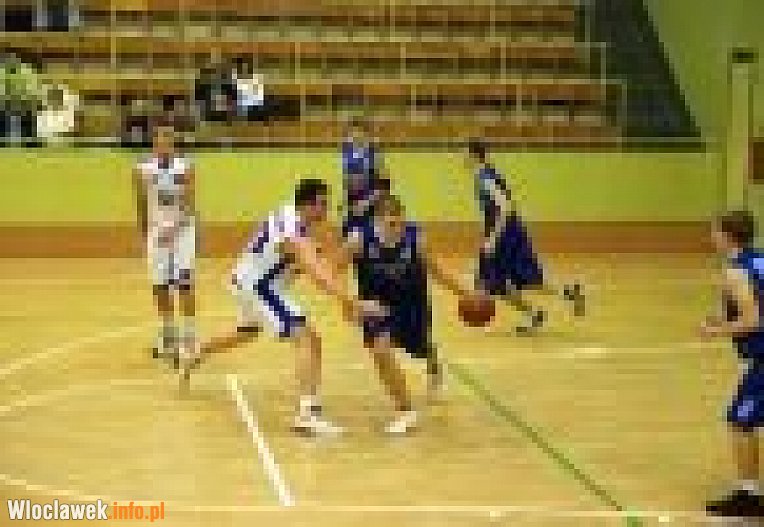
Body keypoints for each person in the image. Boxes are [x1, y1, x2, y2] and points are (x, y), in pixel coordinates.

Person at [185, 179, 383, 437]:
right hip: (260, 287)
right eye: (322, 204)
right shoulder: (292, 231)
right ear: (308, 205)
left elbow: (321, 260)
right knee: (307, 338)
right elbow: (317, 272)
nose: (326, 211)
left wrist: (333, 261)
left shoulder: (290, 216)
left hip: (245, 279)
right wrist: (353, 302)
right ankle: (307, 414)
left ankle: (197, 352)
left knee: (248, 332)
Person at [342, 193, 484, 434]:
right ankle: (405, 411)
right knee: (380, 350)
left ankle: (433, 364)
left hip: (412, 303)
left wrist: (466, 293)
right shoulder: (358, 239)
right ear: (376, 221)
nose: (396, 228)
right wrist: (350, 303)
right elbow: (336, 268)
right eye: (390, 224)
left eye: (399, 222)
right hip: (376, 306)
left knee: (420, 347)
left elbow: (436, 271)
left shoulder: (415, 239)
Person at [466, 139, 585, 333]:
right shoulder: (486, 174)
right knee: (523, 279)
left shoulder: (485, 178)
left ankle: (534, 313)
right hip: (508, 231)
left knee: (493, 283)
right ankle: (565, 294)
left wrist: (493, 238)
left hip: (504, 234)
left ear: (473, 155)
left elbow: (506, 207)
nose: (463, 159)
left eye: (465, 154)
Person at [703, 210, 764, 517]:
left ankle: (749, 496)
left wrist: (715, 331)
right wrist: (722, 315)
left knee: (740, 421)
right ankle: (749, 492)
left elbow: (753, 320)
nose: (711, 237)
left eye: (715, 231)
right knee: (743, 420)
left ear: (728, 236)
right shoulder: (759, 260)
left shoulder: (737, 271)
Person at [133, 125, 197, 364]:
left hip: (183, 232)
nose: (165, 145)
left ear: (173, 144)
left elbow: (189, 205)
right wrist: (145, 234)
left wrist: (175, 229)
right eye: (160, 141)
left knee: (184, 283)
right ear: (154, 144)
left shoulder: (187, 167)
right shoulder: (141, 169)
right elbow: (141, 204)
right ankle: (168, 336)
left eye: (169, 141)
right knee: (159, 284)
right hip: (157, 233)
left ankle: (189, 337)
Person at [340, 117, 384, 238]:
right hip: (353, 194)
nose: (355, 137)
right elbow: (347, 176)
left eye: (359, 134)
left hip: (369, 193)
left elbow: (380, 179)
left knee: (370, 225)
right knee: (351, 227)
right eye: (352, 134)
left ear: (366, 135)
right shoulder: (347, 151)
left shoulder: (373, 152)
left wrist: (371, 198)